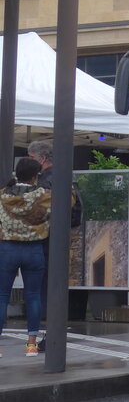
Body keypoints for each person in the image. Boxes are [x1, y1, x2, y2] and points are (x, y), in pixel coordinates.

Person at [27, 139, 82, 352]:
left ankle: (45, 338)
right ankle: (51, 336)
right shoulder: (66, 178)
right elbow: (77, 213)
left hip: (45, 240)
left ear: (41, 159)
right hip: (59, 239)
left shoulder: (44, 182)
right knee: (53, 288)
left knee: (42, 290)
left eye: (31, 158)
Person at [0, 157, 51, 357]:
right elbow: (70, 199)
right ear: (34, 176)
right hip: (34, 249)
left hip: (8, 249)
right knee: (33, 296)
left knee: (2, 296)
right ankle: (31, 344)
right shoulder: (43, 196)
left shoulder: (3, 196)